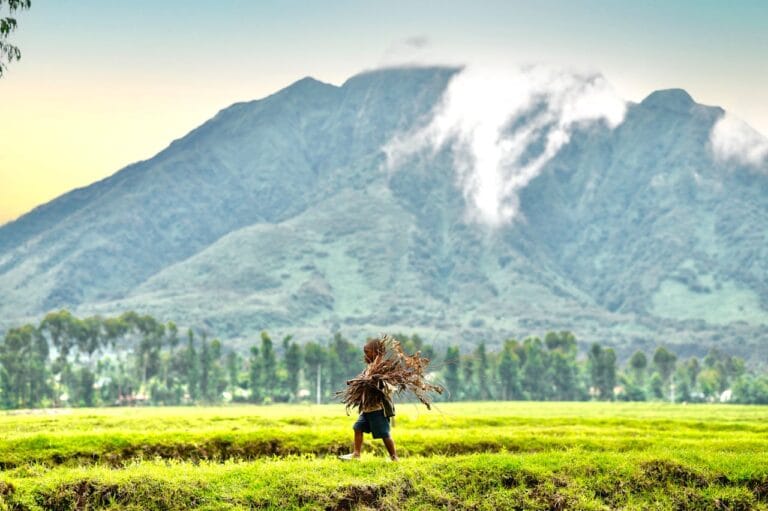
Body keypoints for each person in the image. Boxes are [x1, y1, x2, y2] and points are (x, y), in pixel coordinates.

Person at [338, 339, 398, 461]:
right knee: (357, 428)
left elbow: (378, 382)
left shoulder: (381, 367)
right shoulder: (370, 367)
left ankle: (394, 457)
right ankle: (356, 454)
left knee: (384, 434)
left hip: (378, 408)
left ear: (376, 352)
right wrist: (354, 382)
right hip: (367, 408)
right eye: (364, 352)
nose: (365, 355)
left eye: (368, 352)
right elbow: (364, 379)